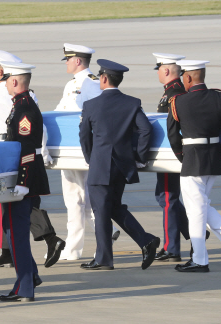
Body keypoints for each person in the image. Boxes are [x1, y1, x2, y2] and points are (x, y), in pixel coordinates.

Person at [0, 50, 65, 269]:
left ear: (2, 72)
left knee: (13, 205)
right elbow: (40, 129)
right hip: (25, 152)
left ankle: (44, 241)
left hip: (7, 151)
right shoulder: (29, 96)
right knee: (14, 204)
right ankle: (9, 251)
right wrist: (42, 153)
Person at [79, 60, 160, 271]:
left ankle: (104, 258)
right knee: (113, 207)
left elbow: (84, 137)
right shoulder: (132, 103)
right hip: (123, 166)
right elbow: (145, 130)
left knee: (102, 212)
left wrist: (91, 159)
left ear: (104, 79)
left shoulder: (91, 105)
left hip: (100, 165)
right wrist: (138, 156)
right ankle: (146, 241)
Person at [167, 60, 221, 272]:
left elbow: (173, 136)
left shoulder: (178, 102)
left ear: (189, 77)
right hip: (214, 159)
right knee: (200, 205)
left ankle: (200, 260)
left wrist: (181, 157)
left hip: (192, 160)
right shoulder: (220, 97)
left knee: (195, 211)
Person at [55, 43, 120, 261]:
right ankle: (76, 247)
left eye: (68, 59)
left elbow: (98, 115)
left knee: (84, 198)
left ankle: (91, 242)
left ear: (78, 60)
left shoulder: (91, 84)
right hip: (70, 148)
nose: (66, 63)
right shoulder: (71, 84)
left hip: (82, 149)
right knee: (77, 199)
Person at [0, 61, 50, 302]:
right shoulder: (21, 105)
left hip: (25, 178)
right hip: (25, 175)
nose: (6, 82)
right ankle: (31, 276)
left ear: (15, 81)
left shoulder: (25, 108)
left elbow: (26, 147)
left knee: (16, 233)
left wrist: (22, 182)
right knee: (14, 230)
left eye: (7, 78)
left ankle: (24, 287)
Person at [152, 53, 191, 262]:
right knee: (164, 196)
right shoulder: (171, 92)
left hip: (172, 156)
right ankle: (196, 231)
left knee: (168, 198)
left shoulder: (174, 93)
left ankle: (171, 248)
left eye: (159, 68)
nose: (158, 72)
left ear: (166, 70)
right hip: (170, 155)